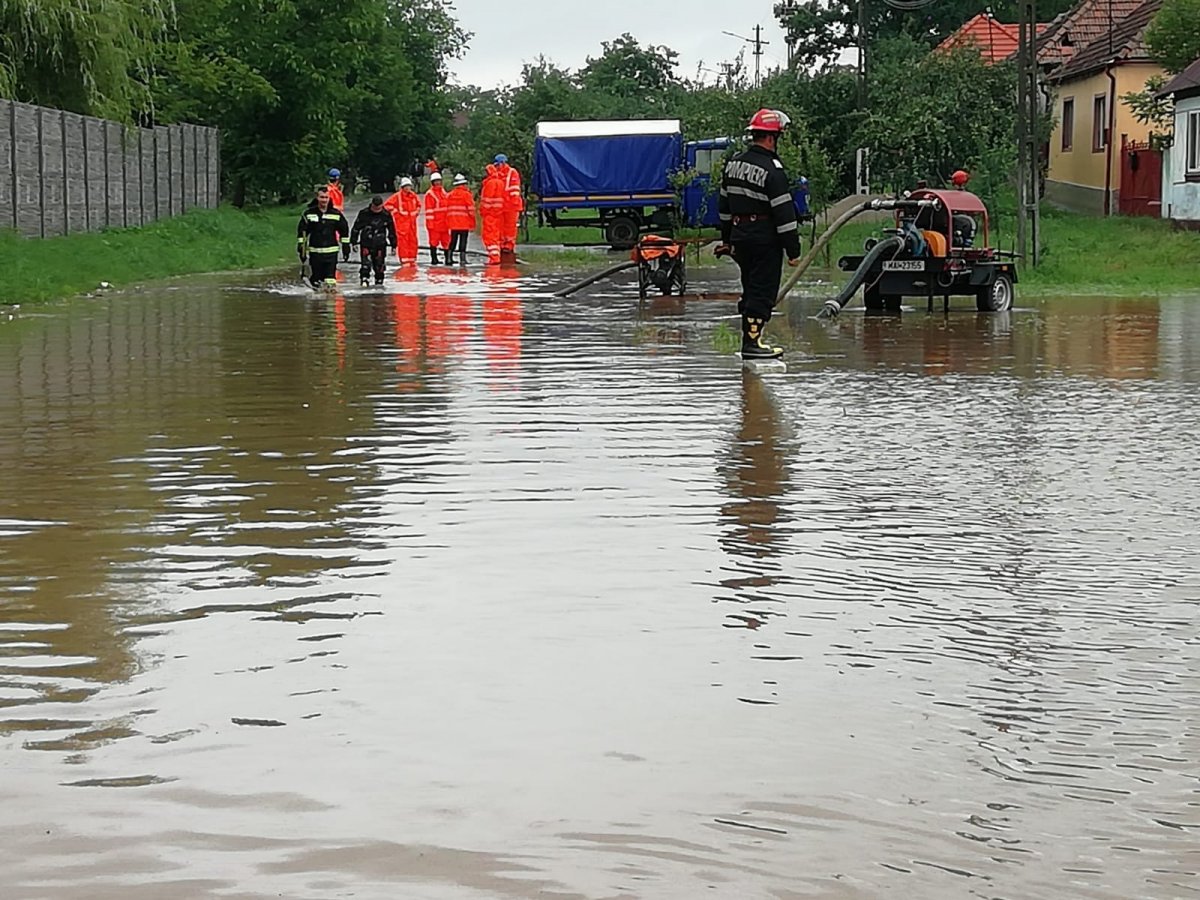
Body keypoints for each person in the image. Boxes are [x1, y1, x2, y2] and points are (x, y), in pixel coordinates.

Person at [715, 108, 802, 360]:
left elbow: (723, 207)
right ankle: (752, 344)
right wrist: (793, 250)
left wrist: (727, 239)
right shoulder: (773, 170)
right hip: (764, 240)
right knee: (762, 291)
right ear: (772, 138)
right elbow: (784, 214)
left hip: (741, 238)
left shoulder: (733, 165)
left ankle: (751, 340)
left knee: (750, 288)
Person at [297, 185, 351, 290]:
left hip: (331, 252)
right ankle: (318, 302)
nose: (324, 200)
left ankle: (329, 302)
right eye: (322, 197)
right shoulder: (308, 214)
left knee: (330, 279)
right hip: (315, 252)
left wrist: (346, 247)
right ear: (317, 198)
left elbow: (344, 231)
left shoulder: (336, 214)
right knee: (317, 279)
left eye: (326, 197)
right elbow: (302, 232)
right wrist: (301, 247)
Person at [350, 194, 397, 286]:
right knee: (365, 264)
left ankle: (379, 281)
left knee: (379, 265)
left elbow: (391, 231)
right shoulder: (364, 213)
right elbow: (356, 228)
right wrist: (354, 242)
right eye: (375, 208)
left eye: (378, 208)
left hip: (380, 244)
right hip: (366, 243)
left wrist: (393, 245)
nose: (376, 211)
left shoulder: (386, 215)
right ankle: (364, 279)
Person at [493, 153, 524, 262]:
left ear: (503, 163)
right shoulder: (496, 174)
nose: (497, 167)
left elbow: (515, 189)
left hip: (511, 205)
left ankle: (509, 246)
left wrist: (513, 202)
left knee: (510, 227)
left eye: (498, 165)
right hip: (501, 206)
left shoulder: (512, 172)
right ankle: (502, 245)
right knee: (501, 227)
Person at [384, 177, 421, 266]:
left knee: (413, 241)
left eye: (409, 186)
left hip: (412, 223)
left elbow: (419, 205)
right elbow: (387, 206)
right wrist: (396, 212)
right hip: (401, 224)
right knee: (403, 242)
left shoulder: (413, 196)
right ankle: (404, 260)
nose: (408, 188)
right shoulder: (397, 196)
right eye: (406, 186)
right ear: (403, 187)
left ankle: (412, 259)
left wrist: (416, 213)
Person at [445, 173, 476, 266]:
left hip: (453, 222)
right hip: (464, 222)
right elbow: (471, 209)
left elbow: (446, 208)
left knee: (453, 240)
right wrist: (473, 221)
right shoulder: (467, 195)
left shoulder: (450, 195)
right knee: (463, 241)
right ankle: (462, 259)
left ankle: (449, 258)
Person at [479, 163, 505, 265]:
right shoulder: (500, 182)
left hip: (490, 214)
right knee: (496, 235)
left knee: (489, 236)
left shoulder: (490, 183)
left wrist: (483, 211)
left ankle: (494, 258)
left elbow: (487, 200)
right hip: (499, 214)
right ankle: (496, 256)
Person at [424, 171, 451, 265]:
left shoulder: (444, 192)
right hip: (435, 223)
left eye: (439, 180)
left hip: (445, 223)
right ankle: (434, 259)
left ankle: (448, 259)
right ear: (432, 182)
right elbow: (429, 210)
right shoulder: (430, 194)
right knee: (434, 241)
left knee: (446, 241)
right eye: (436, 181)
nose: (438, 183)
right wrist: (430, 224)